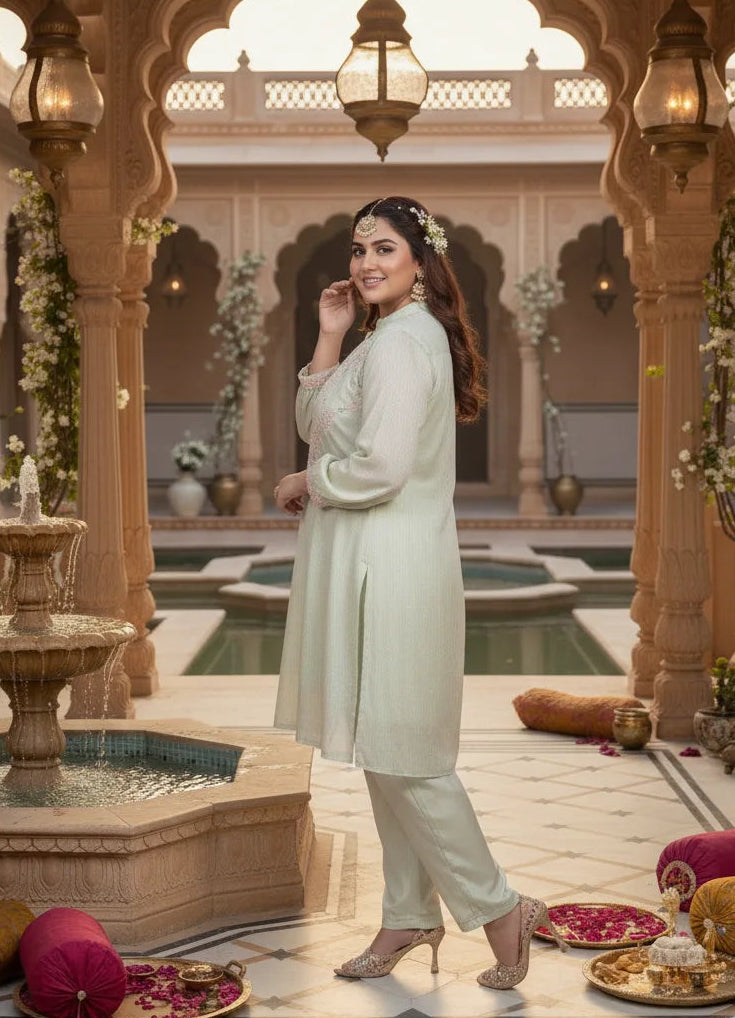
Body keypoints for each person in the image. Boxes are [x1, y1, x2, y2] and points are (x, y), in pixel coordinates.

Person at [273, 196, 565, 988]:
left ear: (419, 261)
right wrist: (329, 335)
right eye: (358, 247)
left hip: (390, 566)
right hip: (373, 557)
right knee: (384, 749)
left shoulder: (407, 343)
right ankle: (406, 911)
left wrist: (310, 481)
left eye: (384, 248)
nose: (365, 261)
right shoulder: (381, 339)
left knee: (409, 755)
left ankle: (500, 907)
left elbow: (376, 467)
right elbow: (319, 420)